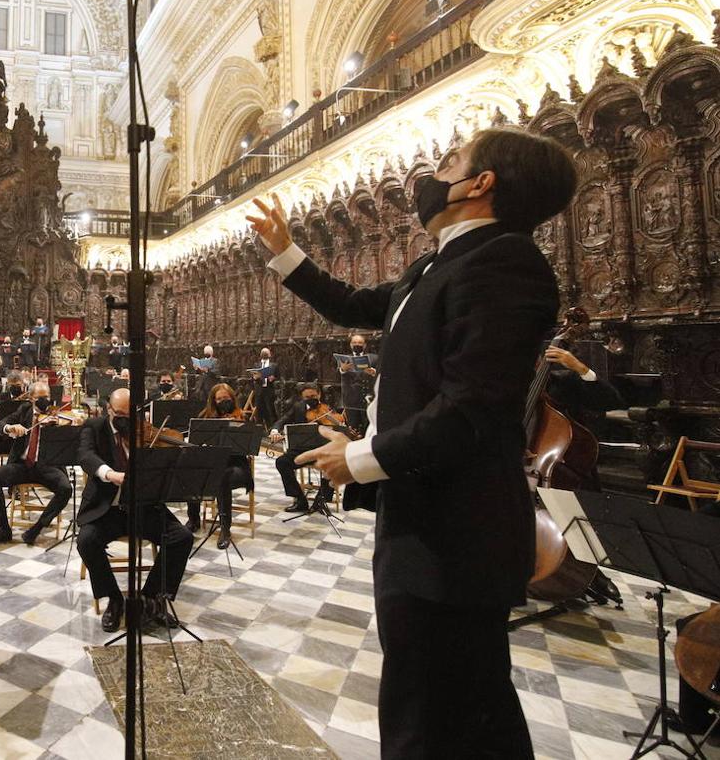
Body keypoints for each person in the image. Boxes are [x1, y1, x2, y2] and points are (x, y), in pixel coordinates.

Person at [247, 126, 577, 759]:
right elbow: (352, 305)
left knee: (426, 714)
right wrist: (286, 252)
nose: (436, 168)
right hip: (425, 518)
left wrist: (362, 459)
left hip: (457, 531)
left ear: (481, 184)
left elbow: (471, 408)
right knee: (470, 706)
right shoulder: (440, 262)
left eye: (451, 159)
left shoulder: (505, 263)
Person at [76, 388, 195, 633]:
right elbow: (85, 455)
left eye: (130, 414)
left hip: (143, 507)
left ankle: (151, 597)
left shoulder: (143, 430)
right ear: (109, 410)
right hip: (107, 509)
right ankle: (114, 599)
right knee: (86, 541)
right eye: (119, 413)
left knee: (181, 537)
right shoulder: (95, 427)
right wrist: (109, 474)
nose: (125, 420)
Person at [0, 380, 75, 547]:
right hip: (23, 466)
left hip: (48, 467)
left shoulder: (54, 415)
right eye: (40, 397)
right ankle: (3, 529)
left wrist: (62, 428)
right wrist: (10, 428)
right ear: (31, 398)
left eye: (47, 397)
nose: (44, 401)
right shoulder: (24, 411)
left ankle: (36, 529)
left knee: (66, 489)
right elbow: (0, 424)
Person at [187, 383, 254, 550]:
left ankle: (225, 529)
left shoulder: (241, 417)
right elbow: (197, 443)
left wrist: (234, 429)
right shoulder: (206, 417)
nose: (223, 401)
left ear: (232, 398)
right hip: (212, 464)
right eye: (219, 399)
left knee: (221, 477)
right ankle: (193, 520)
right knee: (190, 471)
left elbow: (248, 447)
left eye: (226, 398)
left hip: (237, 467)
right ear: (213, 401)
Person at [270, 384, 334, 513]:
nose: (311, 398)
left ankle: (321, 500)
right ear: (302, 397)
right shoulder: (298, 407)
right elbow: (282, 420)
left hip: (323, 451)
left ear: (319, 395)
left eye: (314, 396)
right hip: (302, 451)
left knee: (334, 463)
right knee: (282, 462)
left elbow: (339, 427)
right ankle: (300, 499)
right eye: (307, 397)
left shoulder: (328, 409)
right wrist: (275, 430)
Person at [339, 334, 377, 432]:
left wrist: (374, 372)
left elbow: (381, 374)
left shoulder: (374, 358)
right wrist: (343, 370)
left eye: (360, 343)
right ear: (350, 345)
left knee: (369, 426)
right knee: (353, 428)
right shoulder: (344, 359)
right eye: (354, 342)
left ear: (364, 345)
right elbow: (337, 375)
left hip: (368, 397)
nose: (357, 344)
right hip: (351, 398)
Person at [254, 347, 279, 430]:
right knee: (259, 410)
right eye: (263, 353)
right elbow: (252, 377)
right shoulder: (257, 365)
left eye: (266, 353)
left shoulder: (274, 365)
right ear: (261, 355)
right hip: (259, 390)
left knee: (270, 410)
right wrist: (255, 377)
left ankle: (271, 428)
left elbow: (279, 376)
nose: (264, 354)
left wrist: (273, 378)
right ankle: (259, 429)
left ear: (269, 355)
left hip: (269, 389)